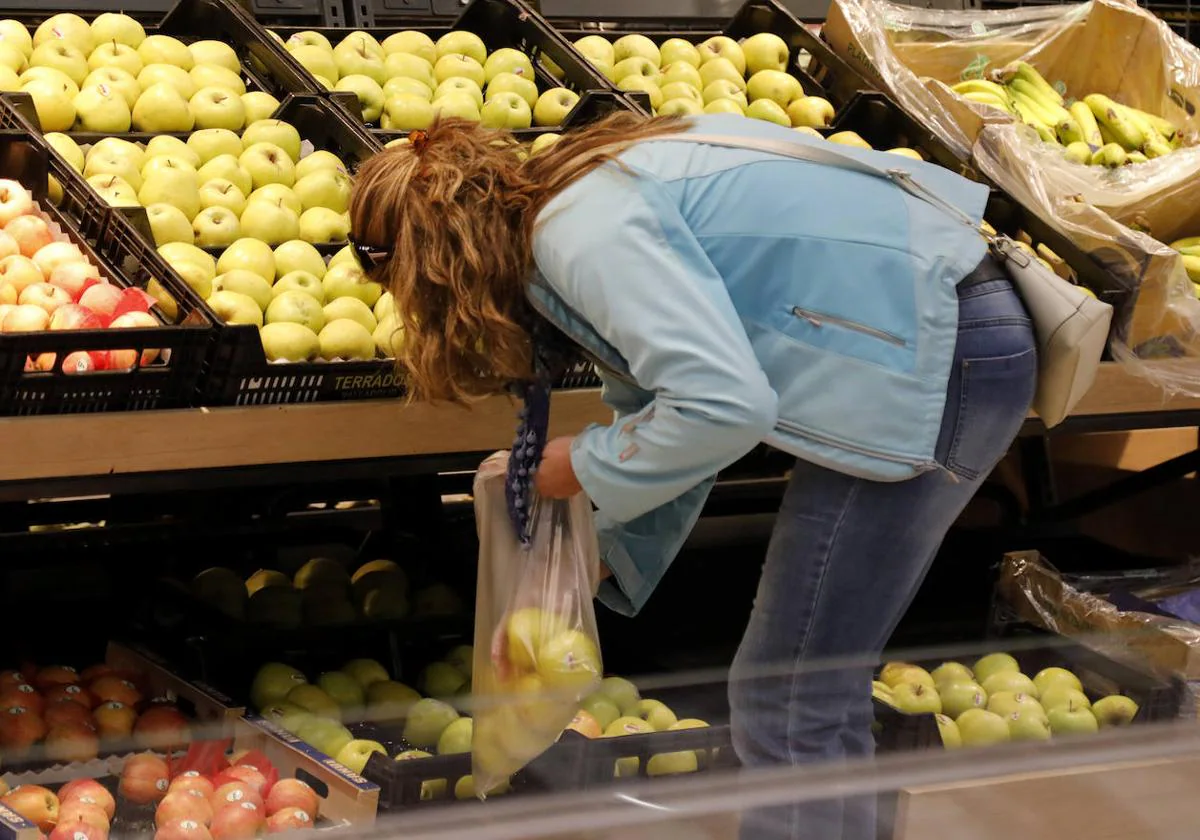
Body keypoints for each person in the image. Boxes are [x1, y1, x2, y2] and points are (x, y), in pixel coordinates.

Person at [349, 112, 1037, 839]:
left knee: (788, 695)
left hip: (936, 349)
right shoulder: (574, 202)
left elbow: (724, 408)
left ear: (438, 259)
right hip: (942, 333)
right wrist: (588, 564)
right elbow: (662, 404)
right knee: (810, 690)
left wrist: (582, 465)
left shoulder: (580, 233)